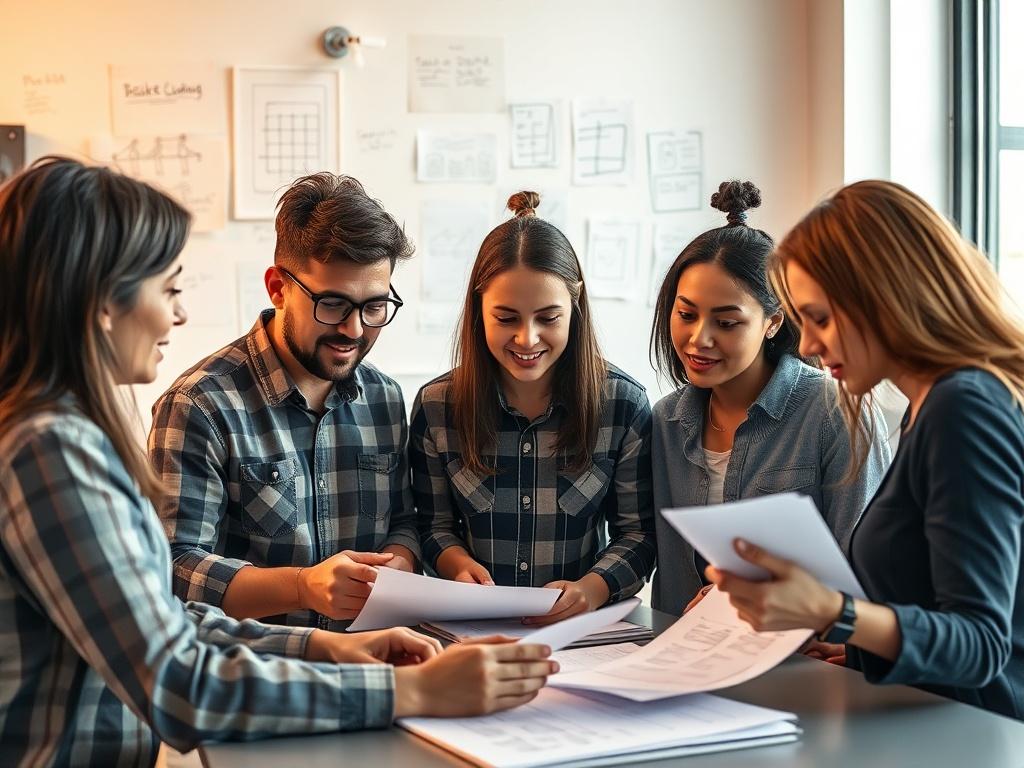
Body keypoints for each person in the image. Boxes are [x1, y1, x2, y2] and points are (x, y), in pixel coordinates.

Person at [0, 158, 555, 766]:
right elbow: (177, 679)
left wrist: (324, 648)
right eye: (170, 288)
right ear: (103, 301)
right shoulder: (53, 450)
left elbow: (167, 624)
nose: (178, 315)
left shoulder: (61, 438)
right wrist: (409, 688)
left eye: (374, 307)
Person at [709, 179, 1024, 719]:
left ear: (889, 294)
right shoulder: (930, 406)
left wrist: (836, 612)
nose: (807, 345)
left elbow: (981, 646)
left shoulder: (963, 408)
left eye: (822, 318)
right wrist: (857, 645)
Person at [150, 172, 420, 629]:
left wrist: (400, 559)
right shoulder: (199, 405)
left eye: (374, 306)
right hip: (260, 681)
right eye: (332, 304)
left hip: (378, 667)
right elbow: (173, 569)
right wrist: (304, 586)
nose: (354, 330)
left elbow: (405, 520)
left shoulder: (385, 398)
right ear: (278, 287)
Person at [411, 192, 656, 627]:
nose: (527, 339)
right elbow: (432, 524)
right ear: (478, 311)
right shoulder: (437, 407)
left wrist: (591, 589)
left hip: (578, 634)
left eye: (548, 318)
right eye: (506, 319)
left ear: (575, 307)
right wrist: (453, 563)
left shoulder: (622, 404)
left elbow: (637, 533)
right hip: (472, 631)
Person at [648, 180, 890, 617]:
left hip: (809, 662)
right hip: (685, 659)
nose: (698, 339)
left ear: (773, 322)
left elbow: (867, 576)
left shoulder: (836, 412)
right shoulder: (665, 422)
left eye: (726, 322)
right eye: (686, 315)